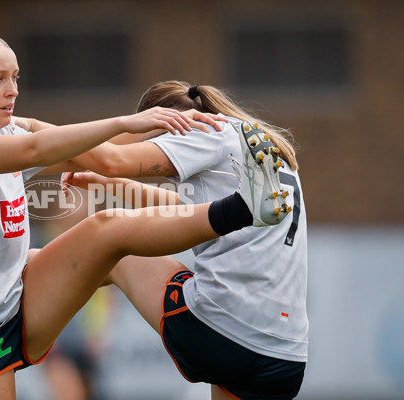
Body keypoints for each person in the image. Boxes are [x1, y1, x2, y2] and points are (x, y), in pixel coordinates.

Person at [0, 14, 289, 400]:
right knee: (106, 230)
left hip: (18, 295)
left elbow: (88, 154)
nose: (12, 89)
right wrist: (126, 122)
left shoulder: (5, 131)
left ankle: (241, 213)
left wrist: (165, 136)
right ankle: (242, 211)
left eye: (15, 76)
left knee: (109, 229)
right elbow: (38, 148)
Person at [61, 80, 307, 400]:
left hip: (222, 330)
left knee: (115, 245)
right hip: (286, 354)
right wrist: (108, 184)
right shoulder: (256, 141)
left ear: (161, 124)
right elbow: (190, 213)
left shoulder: (200, 132)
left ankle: (27, 296)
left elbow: (112, 159)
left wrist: (37, 134)